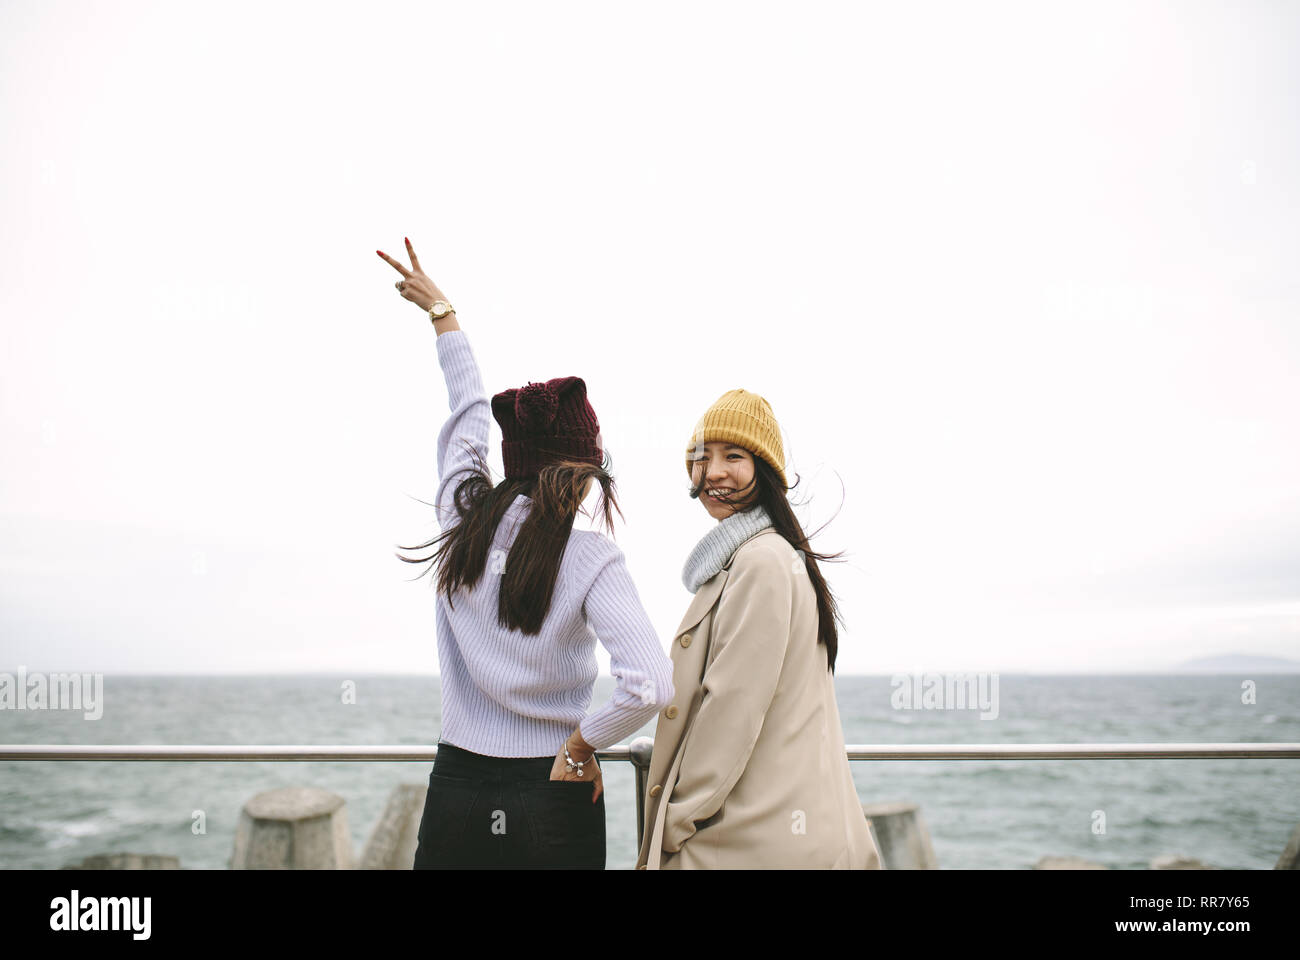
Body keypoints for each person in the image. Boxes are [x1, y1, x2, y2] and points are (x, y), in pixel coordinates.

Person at [377, 238, 674, 869]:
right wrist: (580, 747)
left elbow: (468, 416)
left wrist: (444, 316)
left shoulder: (461, 518)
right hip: (551, 793)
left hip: (456, 788)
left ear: (513, 462)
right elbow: (649, 685)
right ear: (581, 471)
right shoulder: (593, 559)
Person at [634, 389, 879, 869]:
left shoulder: (761, 561)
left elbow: (732, 707)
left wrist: (675, 823)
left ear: (765, 471)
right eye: (701, 458)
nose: (714, 471)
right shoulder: (767, 555)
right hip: (772, 827)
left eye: (734, 456)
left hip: (750, 837)